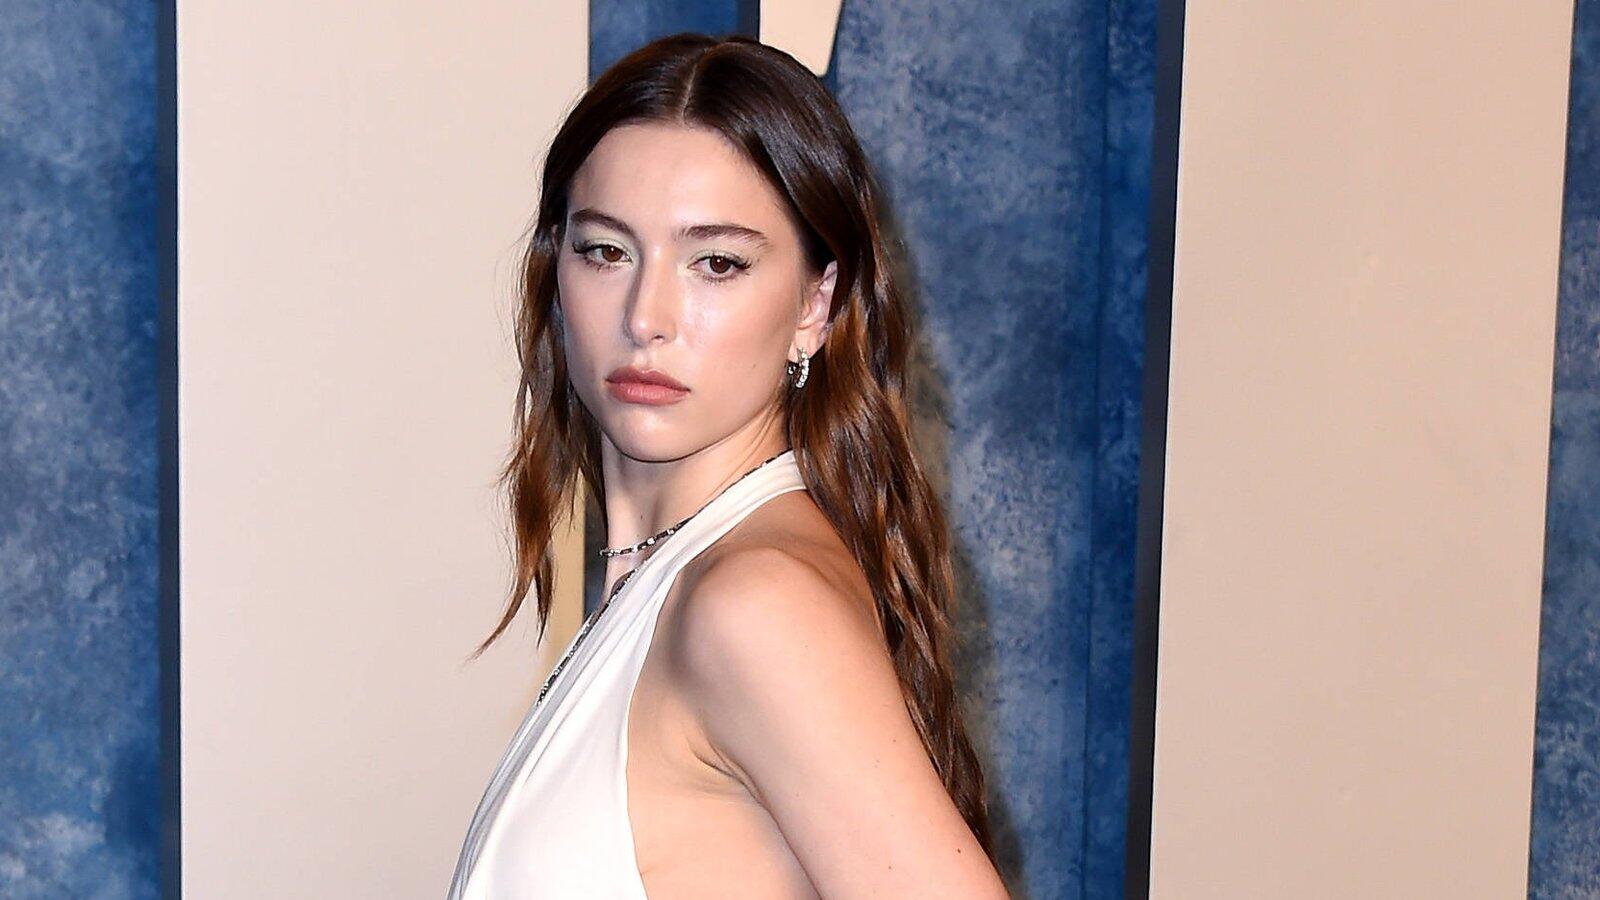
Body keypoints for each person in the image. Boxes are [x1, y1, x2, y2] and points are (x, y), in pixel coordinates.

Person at [448, 32, 1010, 899]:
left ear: (815, 305)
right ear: (557, 270)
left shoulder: (752, 603)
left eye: (717, 263)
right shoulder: (682, 577)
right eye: (606, 251)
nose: (647, 317)